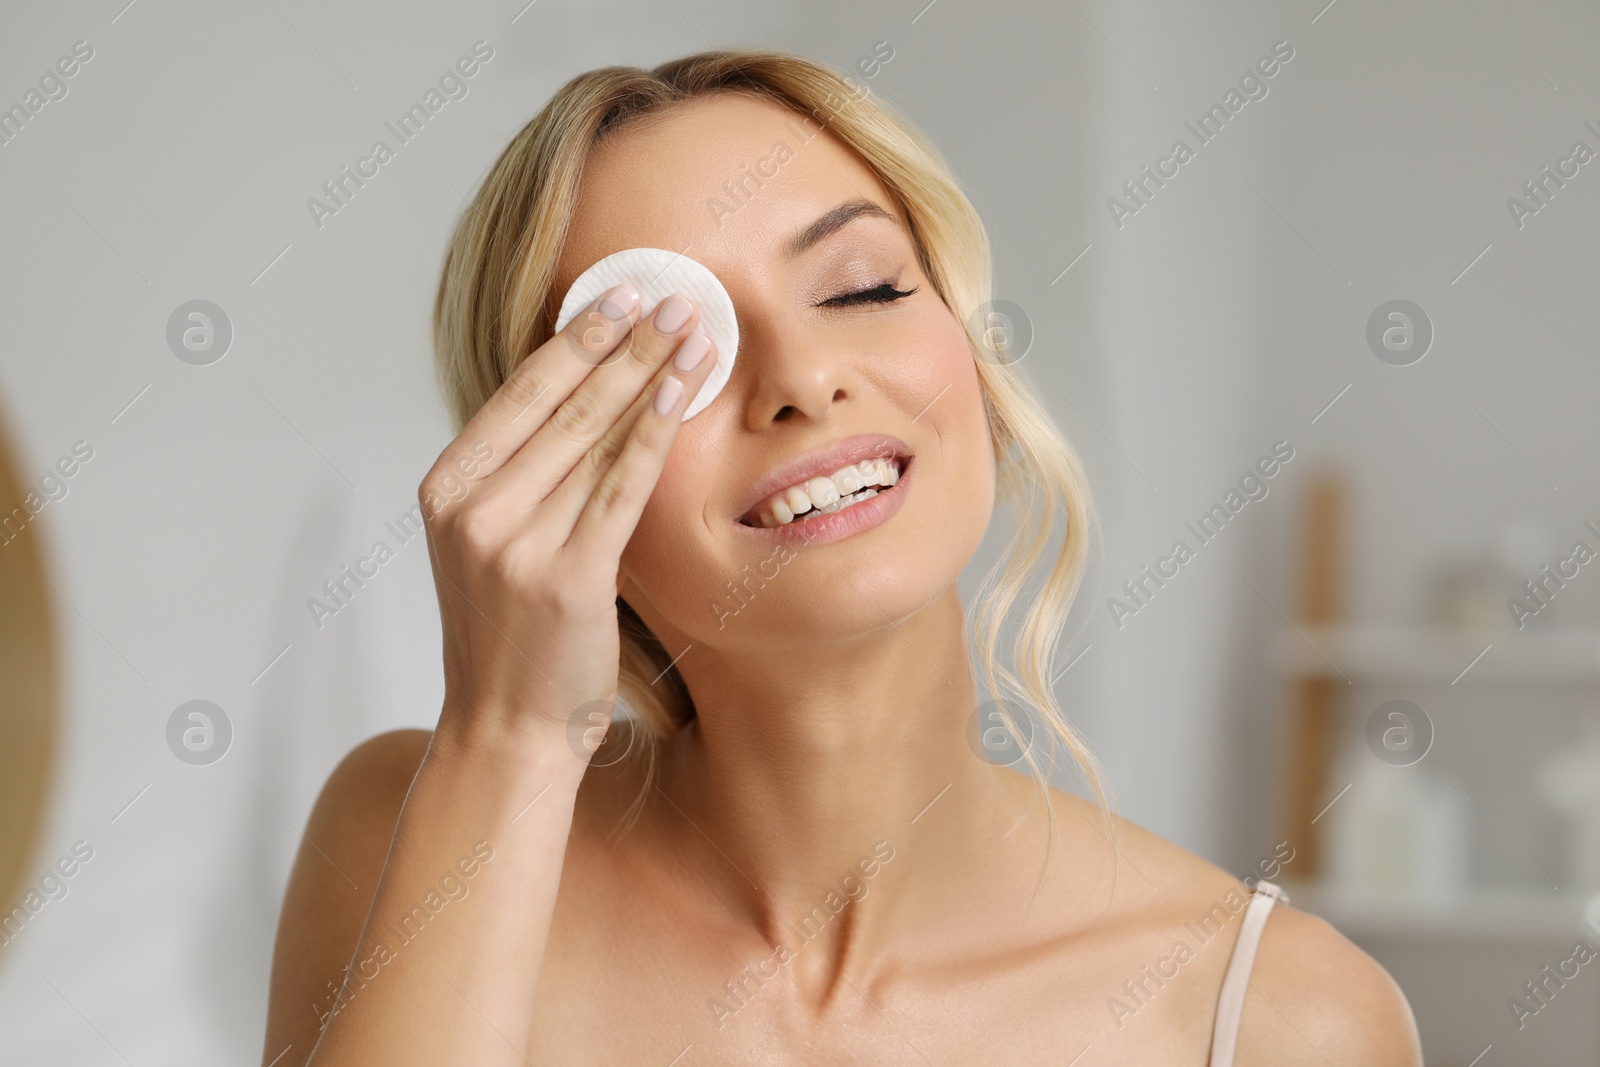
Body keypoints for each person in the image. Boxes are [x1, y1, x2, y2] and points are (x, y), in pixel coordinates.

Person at [261, 48, 1422, 1065]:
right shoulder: (405, 833)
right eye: (677, 360)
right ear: (552, 478)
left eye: (861, 287)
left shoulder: (1280, 1014)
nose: (803, 379)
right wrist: (507, 736)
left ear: (974, 362)